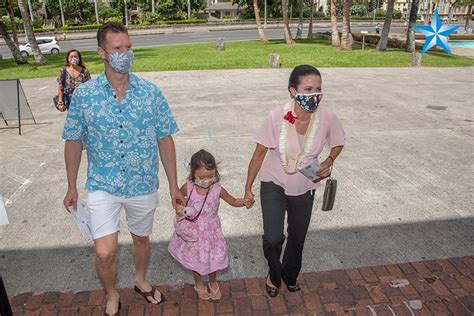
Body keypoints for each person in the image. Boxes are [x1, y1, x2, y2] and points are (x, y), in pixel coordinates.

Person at [62, 22, 184, 315]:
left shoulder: (151, 93)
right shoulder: (84, 96)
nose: (125, 53)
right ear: (102, 52)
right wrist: (71, 185)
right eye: (118, 48)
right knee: (105, 253)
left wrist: (173, 186)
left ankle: (141, 281)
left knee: (141, 239)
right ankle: (111, 292)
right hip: (103, 185)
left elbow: (165, 139)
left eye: (128, 47)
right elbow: (73, 141)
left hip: (143, 185)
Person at [244, 65, 345, 298]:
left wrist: (330, 159)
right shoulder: (276, 116)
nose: (314, 94)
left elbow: (339, 141)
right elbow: (258, 154)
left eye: (318, 89)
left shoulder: (327, 116)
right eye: (308, 89)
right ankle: (274, 273)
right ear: (292, 90)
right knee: (273, 237)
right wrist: (248, 188)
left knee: (297, 236)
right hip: (274, 181)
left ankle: (289, 276)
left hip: (305, 184)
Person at [168, 149, 251, 301]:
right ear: (193, 173)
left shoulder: (217, 189)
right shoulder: (188, 187)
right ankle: (198, 284)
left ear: (215, 173)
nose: (206, 180)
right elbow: (178, 200)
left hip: (211, 232)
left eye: (210, 176)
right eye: (202, 177)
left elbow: (233, 201)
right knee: (195, 260)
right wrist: (180, 209)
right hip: (193, 232)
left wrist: (244, 202)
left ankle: (213, 281)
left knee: (213, 259)